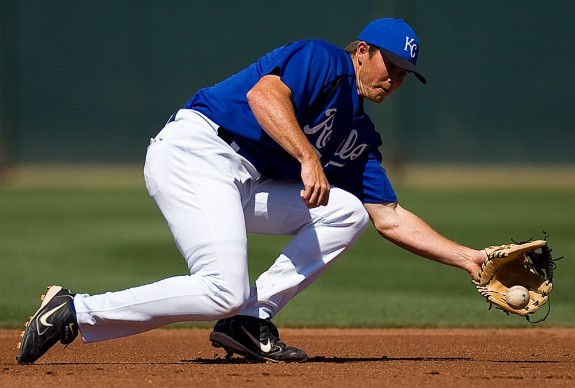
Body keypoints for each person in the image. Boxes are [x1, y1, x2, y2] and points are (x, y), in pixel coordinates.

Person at [17, 18, 487, 364]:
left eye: (405, 74)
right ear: (362, 51)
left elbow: (390, 216)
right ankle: (76, 310)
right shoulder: (325, 61)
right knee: (221, 287)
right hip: (197, 151)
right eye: (391, 64)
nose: (395, 78)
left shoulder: (358, 135)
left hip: (241, 181)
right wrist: (307, 157)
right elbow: (264, 96)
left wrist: (468, 258)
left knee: (348, 211)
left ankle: (248, 320)